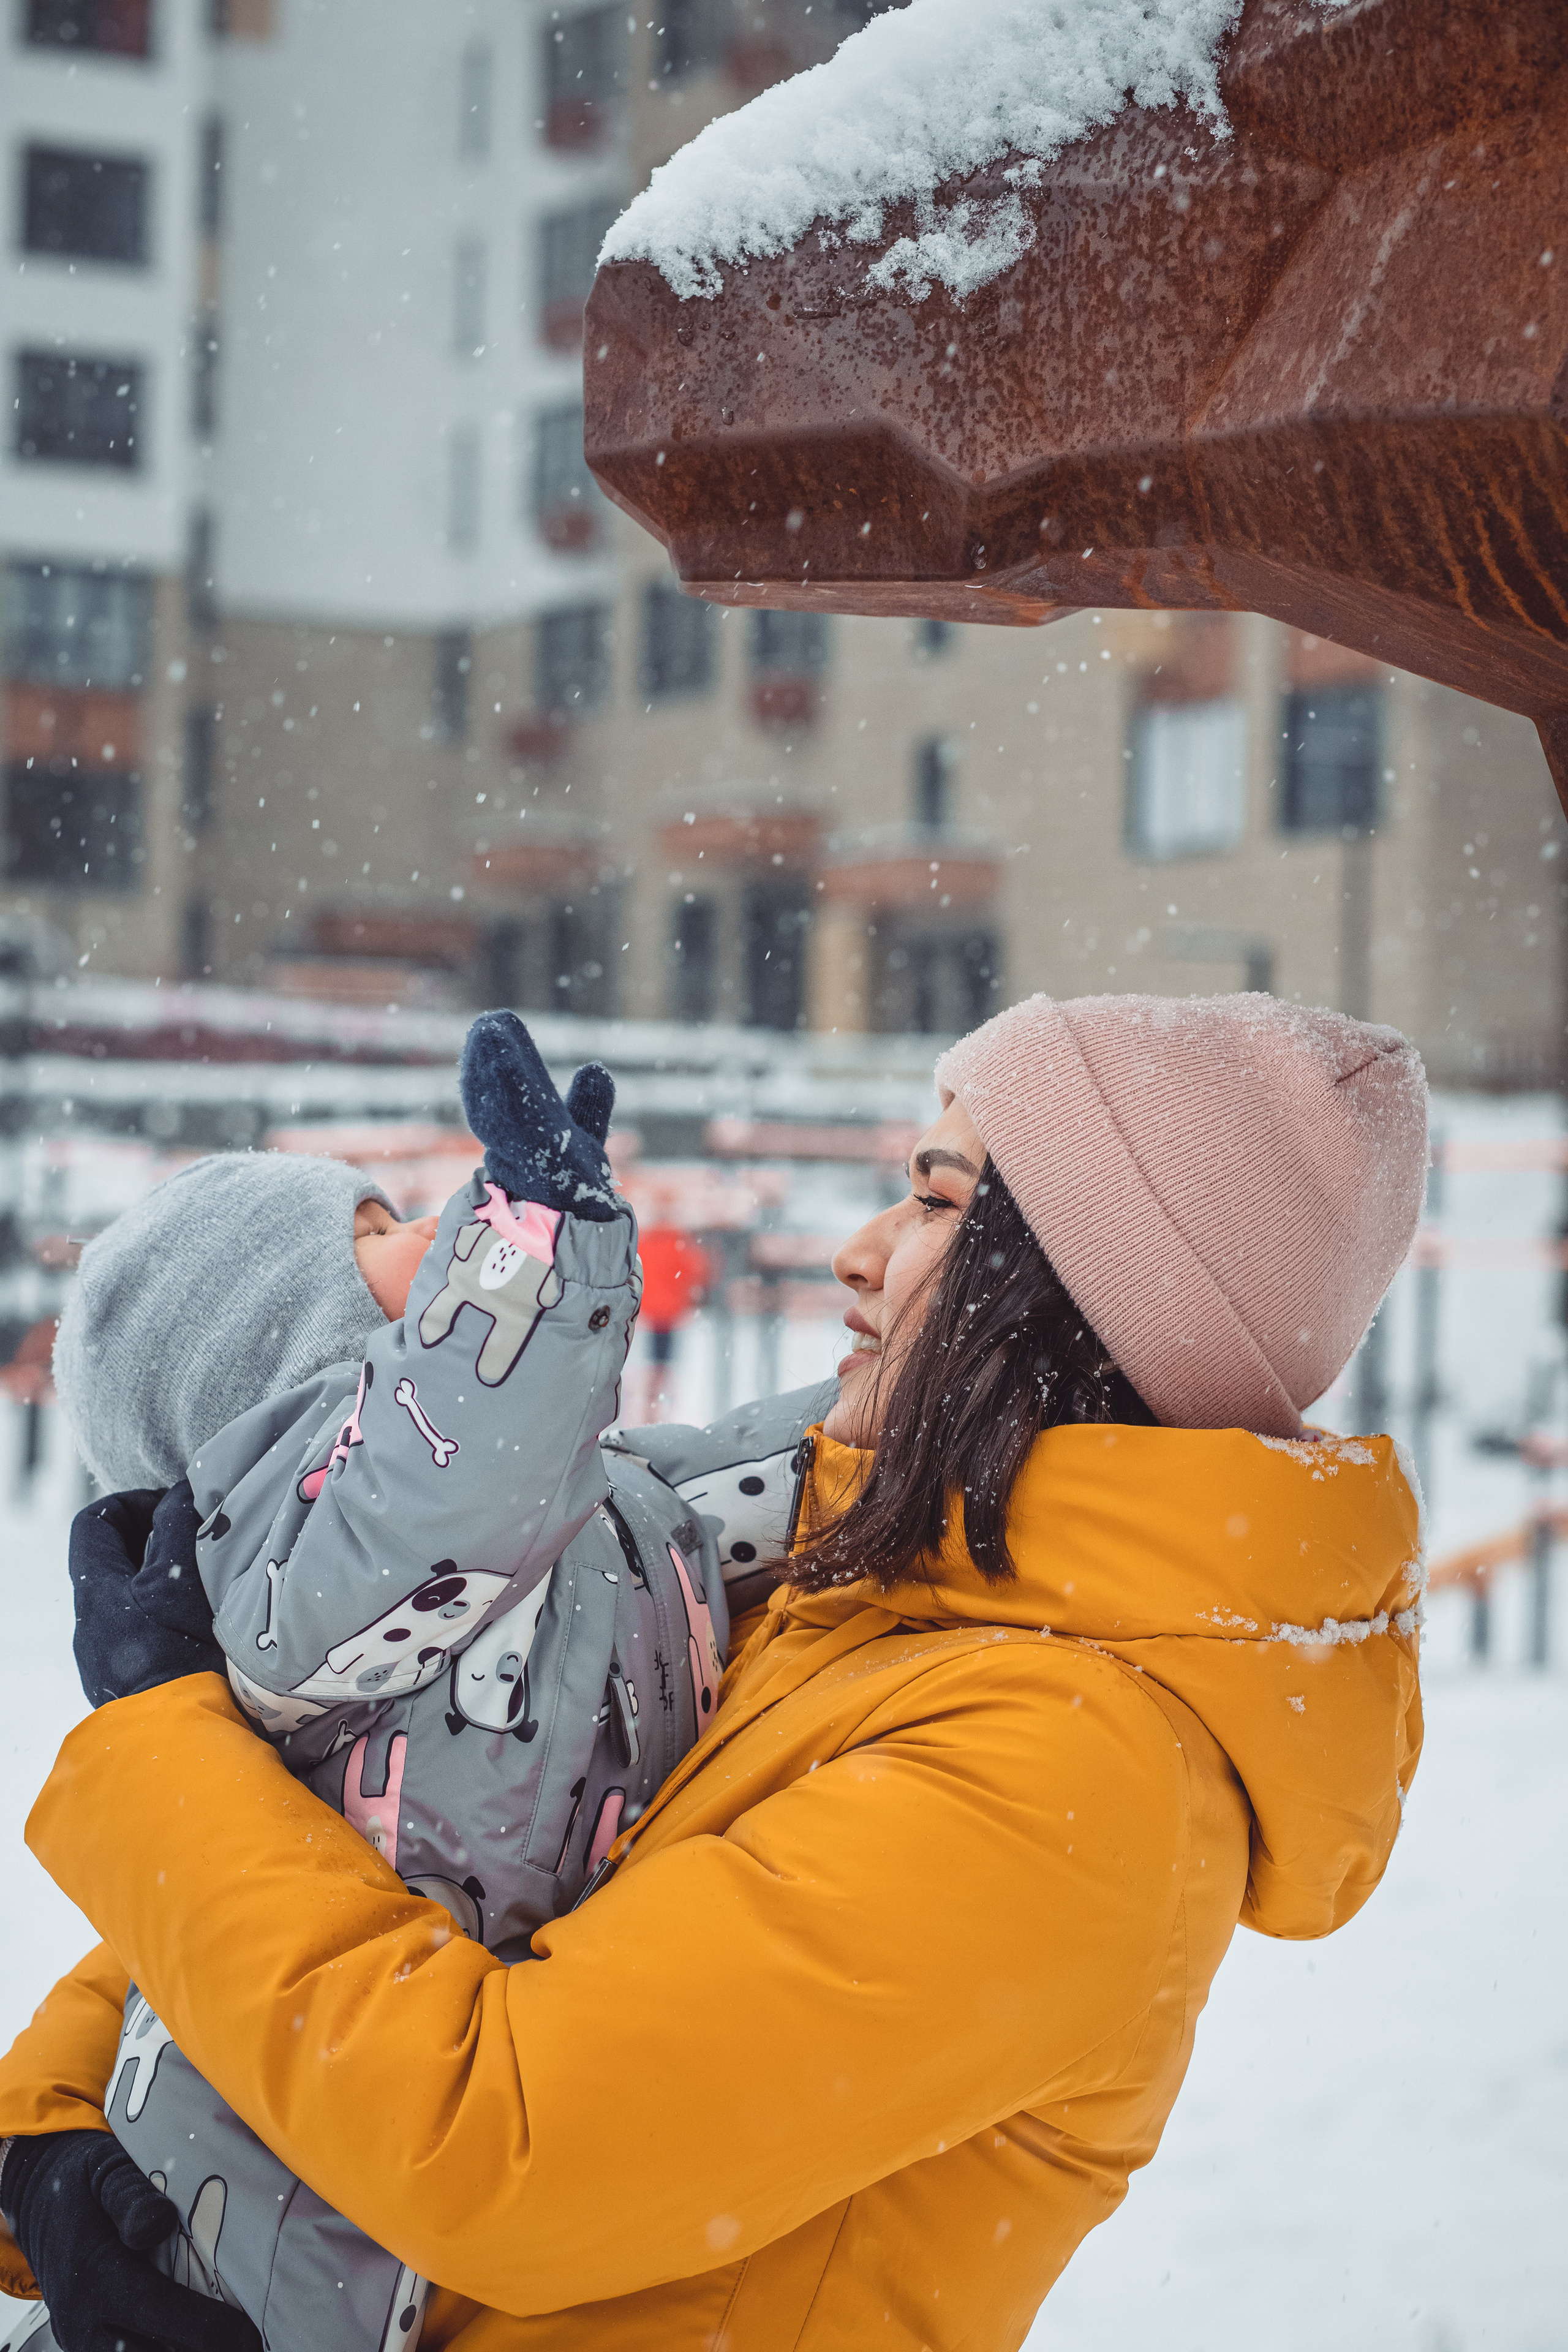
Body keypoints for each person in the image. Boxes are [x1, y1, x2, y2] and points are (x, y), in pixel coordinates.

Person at [0, 991, 1429, 2352]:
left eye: (933, 1203)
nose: (857, 1252)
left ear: (1083, 1296)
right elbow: (391, 1835)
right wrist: (49, 2132)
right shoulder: (842, 1576)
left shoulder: (1077, 1777)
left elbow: (505, 2147)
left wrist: (164, 1743)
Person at [8, 1013, 830, 2352]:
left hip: (420, 2078)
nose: (435, 1235)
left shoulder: (544, 1491)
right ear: (288, 1355)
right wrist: (534, 1251)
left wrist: (913, 1416)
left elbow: (749, 1480)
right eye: (383, 1236)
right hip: (291, 2186)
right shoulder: (304, 1564)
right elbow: (448, 1480)